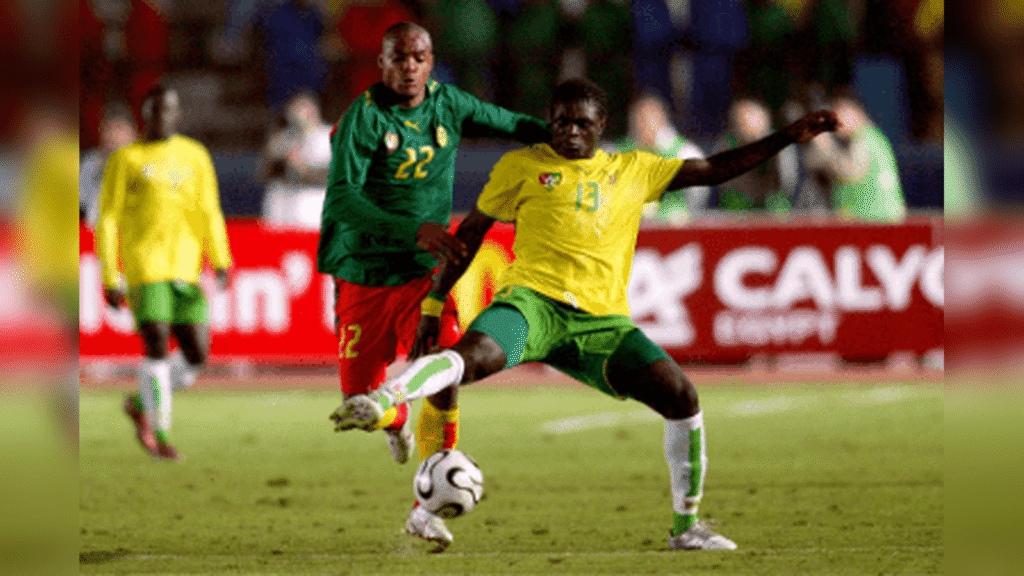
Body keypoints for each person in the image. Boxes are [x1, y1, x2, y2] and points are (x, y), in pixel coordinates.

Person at [330, 78, 838, 551]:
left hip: (602, 326)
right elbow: (470, 235)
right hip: (531, 307)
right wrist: (434, 303)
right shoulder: (521, 166)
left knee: (682, 396)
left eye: (581, 124)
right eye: (561, 122)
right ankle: (387, 397)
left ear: (601, 126)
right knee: (469, 356)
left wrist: (787, 137)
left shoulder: (634, 169)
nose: (570, 132)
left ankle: (687, 527)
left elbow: (714, 169)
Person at [318, 22, 549, 549]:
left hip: (424, 275)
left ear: (431, 60)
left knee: (446, 369)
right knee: (358, 401)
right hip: (364, 273)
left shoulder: (450, 104)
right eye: (399, 58)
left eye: (418, 57)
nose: (410, 67)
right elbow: (342, 199)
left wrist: (562, 138)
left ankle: (424, 510)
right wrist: (414, 229)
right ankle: (395, 421)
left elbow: (511, 122)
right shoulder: (364, 117)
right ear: (383, 63)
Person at [95, 84, 233, 461]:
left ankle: (140, 402)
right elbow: (108, 219)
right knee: (155, 343)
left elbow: (209, 210)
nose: (161, 117)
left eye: (168, 110)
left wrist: (221, 258)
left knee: (196, 355)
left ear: (178, 114)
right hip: (144, 266)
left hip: (187, 268)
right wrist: (110, 275)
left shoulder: (195, 155)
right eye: (154, 111)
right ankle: (160, 433)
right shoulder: (126, 159)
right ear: (145, 116)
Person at [803, 95, 906, 221]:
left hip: (873, 220)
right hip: (874, 219)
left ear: (857, 112)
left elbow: (852, 172)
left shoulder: (865, 137)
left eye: (842, 115)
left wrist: (827, 148)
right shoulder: (872, 137)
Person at [610, 94, 710, 224]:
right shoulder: (616, 153)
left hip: (674, 226)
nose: (643, 125)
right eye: (639, 120)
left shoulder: (686, 153)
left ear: (662, 120)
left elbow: (699, 193)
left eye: (649, 120)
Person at [261, 91, 333, 227]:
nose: (299, 113)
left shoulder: (329, 136)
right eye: (296, 108)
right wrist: (274, 157)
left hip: (315, 206)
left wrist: (304, 169)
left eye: (304, 107)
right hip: (287, 208)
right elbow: (264, 172)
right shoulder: (285, 137)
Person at [80, 102, 138, 226]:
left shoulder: (145, 164)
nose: (112, 135)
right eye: (107, 128)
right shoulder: (91, 162)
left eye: (118, 127)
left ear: (133, 133)